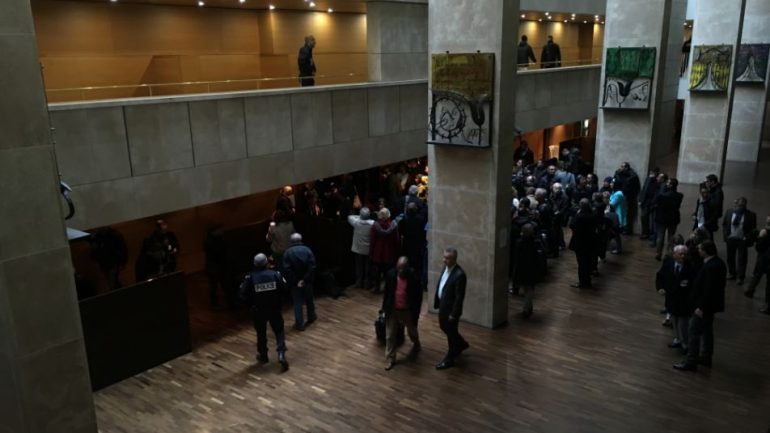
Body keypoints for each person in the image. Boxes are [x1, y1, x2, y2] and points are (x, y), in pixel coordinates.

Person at [674, 240, 726, 371]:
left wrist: (701, 307)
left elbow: (708, 290)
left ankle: (691, 361)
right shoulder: (718, 263)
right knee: (707, 331)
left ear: (706, 251)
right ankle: (706, 356)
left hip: (703, 307)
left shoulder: (710, 267)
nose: (698, 251)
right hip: (711, 306)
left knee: (693, 331)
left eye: (700, 249)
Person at [239, 253, 289, 372]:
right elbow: (285, 288)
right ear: (266, 263)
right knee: (279, 332)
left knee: (261, 334)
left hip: (258, 311)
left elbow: (242, 295)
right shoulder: (275, 274)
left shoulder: (250, 278)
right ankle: (281, 354)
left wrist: (250, 305)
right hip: (274, 309)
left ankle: (264, 356)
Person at [381, 257, 423, 370]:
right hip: (393, 309)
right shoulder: (391, 275)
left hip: (407, 310)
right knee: (390, 335)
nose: (400, 271)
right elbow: (387, 293)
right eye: (399, 269)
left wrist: (416, 314)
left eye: (403, 269)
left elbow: (418, 298)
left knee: (412, 331)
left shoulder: (414, 278)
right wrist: (384, 308)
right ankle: (390, 358)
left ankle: (416, 343)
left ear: (407, 268)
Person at [434, 247, 469, 370]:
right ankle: (461, 344)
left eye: (447, 258)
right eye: (444, 257)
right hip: (444, 307)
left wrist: (454, 314)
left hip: (450, 311)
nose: (444, 260)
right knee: (446, 328)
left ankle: (450, 358)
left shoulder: (460, 275)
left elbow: (459, 298)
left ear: (454, 259)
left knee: (450, 333)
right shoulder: (446, 268)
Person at [656, 245, 695, 352]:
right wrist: (660, 288)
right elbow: (660, 276)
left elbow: (693, 284)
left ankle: (685, 345)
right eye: (680, 254)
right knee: (674, 321)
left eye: (684, 254)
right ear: (675, 255)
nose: (683, 256)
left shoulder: (690, 267)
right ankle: (677, 339)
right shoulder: (668, 265)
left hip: (684, 301)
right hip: (671, 299)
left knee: (683, 324)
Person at [282, 233, 317, 331]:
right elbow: (312, 267)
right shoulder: (307, 250)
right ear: (301, 240)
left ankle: (299, 324)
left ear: (291, 241)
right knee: (310, 299)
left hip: (294, 283)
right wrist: (304, 280)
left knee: (297, 302)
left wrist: (297, 281)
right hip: (307, 281)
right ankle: (311, 317)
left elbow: (287, 270)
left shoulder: (287, 252)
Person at [722, 197, 757, 285]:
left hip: (742, 240)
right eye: (740, 204)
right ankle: (732, 273)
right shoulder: (729, 212)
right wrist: (726, 235)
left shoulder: (751, 215)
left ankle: (740, 277)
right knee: (730, 257)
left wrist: (747, 237)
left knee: (742, 259)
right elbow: (725, 224)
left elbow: (753, 229)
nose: (741, 206)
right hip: (731, 238)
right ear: (736, 204)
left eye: (743, 205)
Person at [513, 224, 545, 318]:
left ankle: (527, 308)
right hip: (532, 268)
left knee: (525, 288)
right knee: (530, 288)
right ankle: (527, 308)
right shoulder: (536, 242)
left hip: (521, 268)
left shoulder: (519, 242)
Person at [569, 198, 598, 289]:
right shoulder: (593, 215)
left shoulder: (580, 216)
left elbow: (572, 225)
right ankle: (588, 281)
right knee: (588, 262)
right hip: (590, 242)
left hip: (580, 243)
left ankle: (582, 282)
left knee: (581, 264)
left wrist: (577, 215)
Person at [653, 178, 684, 261]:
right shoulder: (680, 195)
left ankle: (658, 253)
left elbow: (656, 203)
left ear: (670, 185)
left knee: (660, 237)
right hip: (673, 218)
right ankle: (668, 254)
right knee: (671, 237)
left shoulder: (662, 195)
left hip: (661, 218)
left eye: (668, 183)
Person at [370, 208, 399, 293]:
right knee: (388, 271)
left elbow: (372, 240)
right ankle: (388, 288)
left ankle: (377, 287)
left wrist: (371, 252)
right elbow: (396, 241)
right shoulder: (394, 225)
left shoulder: (375, 226)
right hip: (389, 252)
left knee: (377, 272)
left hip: (378, 252)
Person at [745, 215, 770, 313]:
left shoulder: (765, 232)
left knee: (760, 276)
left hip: (765, 259)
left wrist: (760, 237)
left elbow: (759, 247)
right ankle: (750, 291)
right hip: (764, 259)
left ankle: (767, 305)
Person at [347, 207, 374, 289]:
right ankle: (367, 284)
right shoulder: (372, 223)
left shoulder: (356, 222)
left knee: (359, 266)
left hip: (358, 249)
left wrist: (360, 216)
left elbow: (349, 217)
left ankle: (359, 282)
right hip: (368, 249)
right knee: (368, 267)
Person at [615, 162, 640, 235]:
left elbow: (636, 188)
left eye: (622, 166)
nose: (620, 167)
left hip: (628, 197)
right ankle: (620, 227)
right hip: (620, 195)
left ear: (626, 168)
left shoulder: (633, 176)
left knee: (627, 214)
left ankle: (627, 229)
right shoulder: (619, 173)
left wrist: (630, 196)